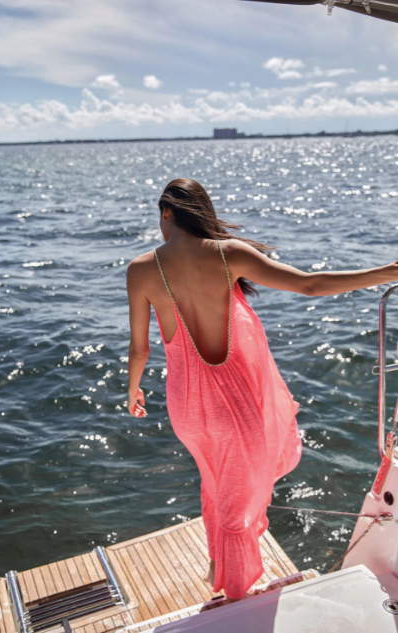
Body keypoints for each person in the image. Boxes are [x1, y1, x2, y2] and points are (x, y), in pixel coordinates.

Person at [126, 177, 397, 603]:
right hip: (236, 405)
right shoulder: (227, 253)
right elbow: (309, 284)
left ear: (166, 213)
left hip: (187, 408)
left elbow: (139, 348)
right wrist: (386, 272)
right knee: (237, 504)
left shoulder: (141, 268)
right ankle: (236, 595)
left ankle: (218, 565)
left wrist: (133, 391)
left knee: (216, 484)